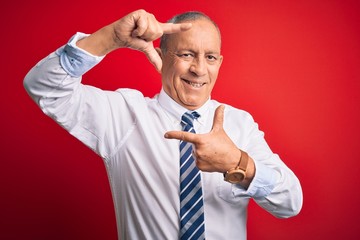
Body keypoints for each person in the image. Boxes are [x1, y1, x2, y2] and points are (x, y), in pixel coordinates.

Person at [24, 9, 303, 240]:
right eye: (186, 55)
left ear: (219, 62)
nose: (199, 69)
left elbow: (290, 203)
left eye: (210, 57)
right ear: (161, 56)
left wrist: (237, 162)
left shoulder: (239, 124)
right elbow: (44, 87)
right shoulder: (124, 115)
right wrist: (110, 38)